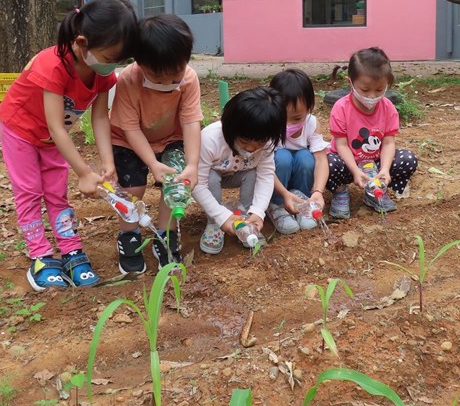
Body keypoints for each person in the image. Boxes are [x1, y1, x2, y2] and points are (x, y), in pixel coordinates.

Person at [0, 0, 137, 291]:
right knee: (30, 192)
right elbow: (56, 125)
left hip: (50, 139)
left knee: (56, 193)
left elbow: (100, 118)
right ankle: (40, 255)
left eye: (118, 60)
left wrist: (107, 162)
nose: (112, 66)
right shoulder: (53, 65)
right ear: (82, 42)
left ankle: (71, 248)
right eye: (110, 57)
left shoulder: (102, 73)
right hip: (21, 130)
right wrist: (84, 172)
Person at [109, 14, 202, 273]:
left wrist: (192, 164)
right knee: (133, 187)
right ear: (140, 63)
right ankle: (129, 235)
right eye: (158, 77)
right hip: (128, 139)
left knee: (175, 184)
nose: (167, 83)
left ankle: (165, 235)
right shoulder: (129, 79)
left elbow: (191, 121)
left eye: (175, 75)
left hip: (170, 138)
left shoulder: (189, 79)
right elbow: (129, 127)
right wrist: (151, 162)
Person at [326, 47, 418, 218]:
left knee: (408, 159)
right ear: (350, 83)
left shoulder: (388, 107)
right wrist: (354, 170)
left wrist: (384, 169)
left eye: (379, 90)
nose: (372, 96)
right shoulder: (341, 108)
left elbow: (389, 142)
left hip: (375, 162)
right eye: (365, 90)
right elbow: (341, 144)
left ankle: (377, 191)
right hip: (347, 162)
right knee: (327, 163)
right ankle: (340, 193)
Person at [193, 87, 285, 254]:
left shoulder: (268, 142)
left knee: (253, 173)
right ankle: (214, 223)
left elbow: (266, 177)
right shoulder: (209, 139)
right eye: (244, 141)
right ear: (230, 128)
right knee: (211, 177)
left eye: (259, 143)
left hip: (240, 172)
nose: (251, 149)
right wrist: (220, 216)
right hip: (213, 174)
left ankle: (247, 219)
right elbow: (197, 183)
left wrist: (258, 212)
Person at [268, 69, 330, 233]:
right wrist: (282, 193)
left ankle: (303, 201)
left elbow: (322, 160)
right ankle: (277, 204)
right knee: (282, 157)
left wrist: (318, 191)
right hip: (276, 178)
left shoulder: (311, 124)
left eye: (296, 118)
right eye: (283, 116)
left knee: (306, 157)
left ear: (310, 107)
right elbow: (263, 165)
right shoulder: (269, 125)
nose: (288, 123)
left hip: (299, 175)